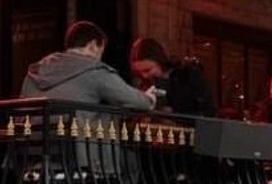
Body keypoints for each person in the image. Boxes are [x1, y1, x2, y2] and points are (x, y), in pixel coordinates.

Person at [22, 20, 156, 111]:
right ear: (92, 45)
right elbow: (138, 102)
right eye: (100, 52)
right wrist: (149, 98)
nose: (99, 59)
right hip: (76, 149)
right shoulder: (94, 71)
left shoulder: (35, 72)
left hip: (29, 148)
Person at [129, 37, 216, 116]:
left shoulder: (189, 76)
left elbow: (209, 111)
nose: (144, 76)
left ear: (159, 60)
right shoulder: (143, 84)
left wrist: (175, 114)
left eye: (148, 70)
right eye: (139, 72)